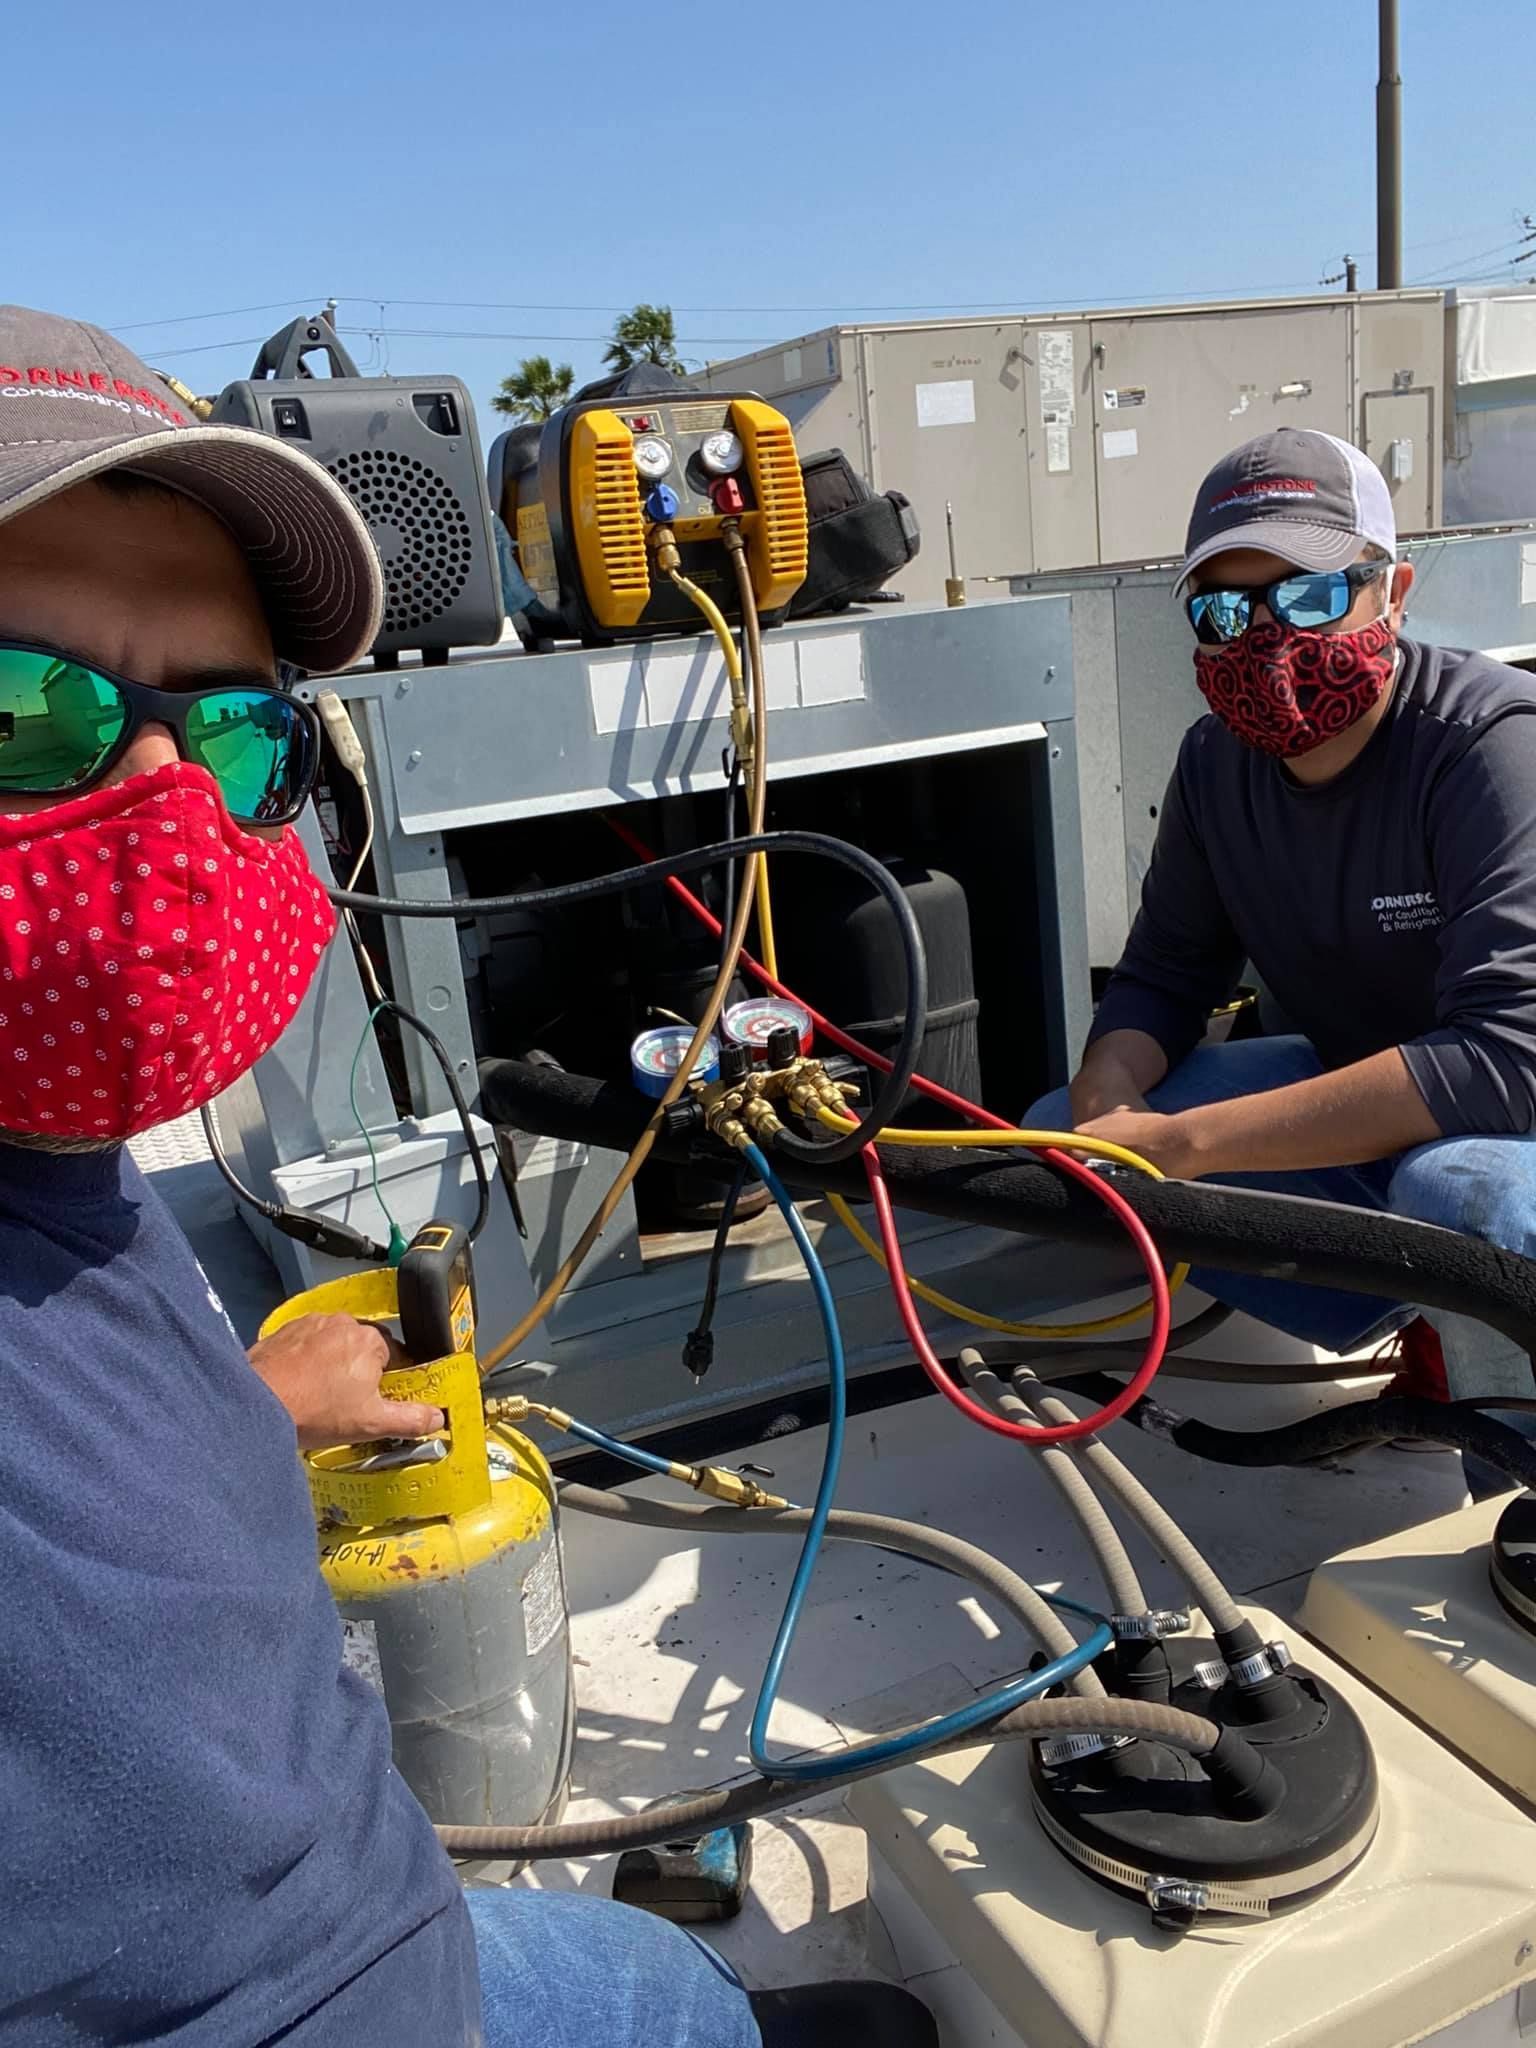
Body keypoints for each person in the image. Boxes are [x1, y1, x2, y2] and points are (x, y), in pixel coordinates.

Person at [0, 304, 939, 2048]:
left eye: (227, 740)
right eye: (19, 709)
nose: (154, 802)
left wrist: (238, 1400)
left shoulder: (51, 1150)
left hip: (394, 1894)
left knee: (677, 1990)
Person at [1029, 426, 1536, 1497]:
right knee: (1054, 1135)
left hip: (1511, 1117)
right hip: (1394, 1094)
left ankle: (1511, 1503)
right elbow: (1166, 971)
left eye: (1308, 597)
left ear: (1390, 592)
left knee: (1460, 1194)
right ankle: (1420, 1316)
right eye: (1224, 610)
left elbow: (1508, 1059)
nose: (1266, 637)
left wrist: (1182, 1141)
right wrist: (1108, 1098)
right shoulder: (1219, 764)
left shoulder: (1489, 742)